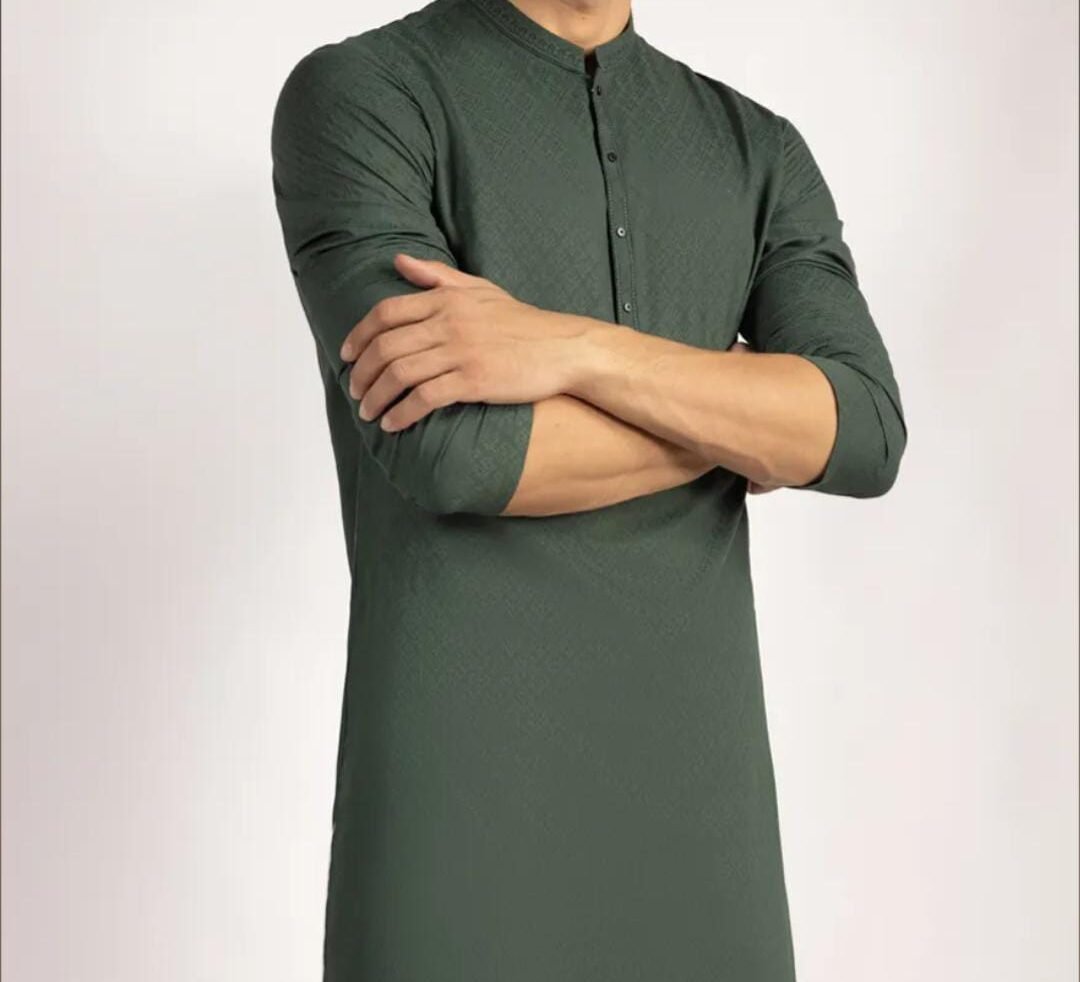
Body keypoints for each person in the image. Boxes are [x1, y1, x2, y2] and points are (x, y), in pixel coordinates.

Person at [270, 0, 907, 977]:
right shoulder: (364, 94)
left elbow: (864, 431)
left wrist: (573, 349)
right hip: (458, 824)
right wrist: (744, 413)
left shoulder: (759, 149)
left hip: (707, 829)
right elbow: (458, 448)